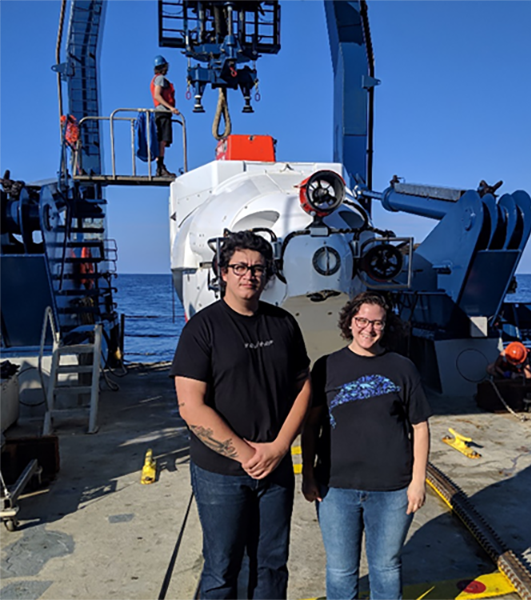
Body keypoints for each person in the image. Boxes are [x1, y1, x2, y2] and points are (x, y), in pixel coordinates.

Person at [170, 230, 311, 600]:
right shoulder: (202, 329)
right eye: (240, 267)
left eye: (258, 268)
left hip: (276, 468)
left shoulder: (283, 324)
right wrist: (247, 454)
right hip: (220, 473)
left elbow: (304, 387)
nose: (249, 274)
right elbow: (191, 406)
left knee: (271, 563)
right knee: (221, 567)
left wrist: (279, 448)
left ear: (268, 274)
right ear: (223, 271)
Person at [302, 291, 431, 600]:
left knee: (385, 566)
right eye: (362, 320)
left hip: (392, 490)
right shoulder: (326, 366)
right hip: (335, 488)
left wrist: (417, 482)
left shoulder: (402, 368)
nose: (369, 329)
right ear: (350, 321)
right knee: (340, 569)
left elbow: (420, 426)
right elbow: (311, 425)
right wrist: (307, 474)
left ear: (386, 326)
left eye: (377, 323)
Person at [151, 55, 179, 177]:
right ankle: (160, 168)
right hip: (163, 113)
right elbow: (157, 95)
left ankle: (160, 168)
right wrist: (171, 108)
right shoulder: (160, 79)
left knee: (161, 141)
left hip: (162, 113)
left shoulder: (158, 78)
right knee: (162, 140)